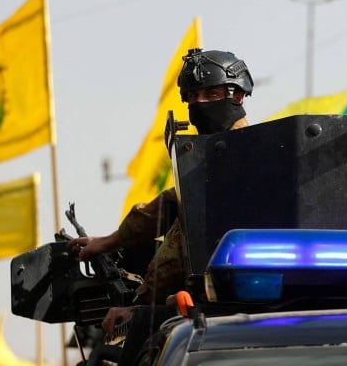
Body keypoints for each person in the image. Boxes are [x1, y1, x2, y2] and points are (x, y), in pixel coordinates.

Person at [68, 47, 254, 338]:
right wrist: (108, 241)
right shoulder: (244, 158)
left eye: (211, 94)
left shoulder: (230, 166)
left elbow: (173, 255)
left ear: (238, 96)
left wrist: (140, 306)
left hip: (218, 310)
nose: (200, 103)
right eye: (192, 96)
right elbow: (170, 203)